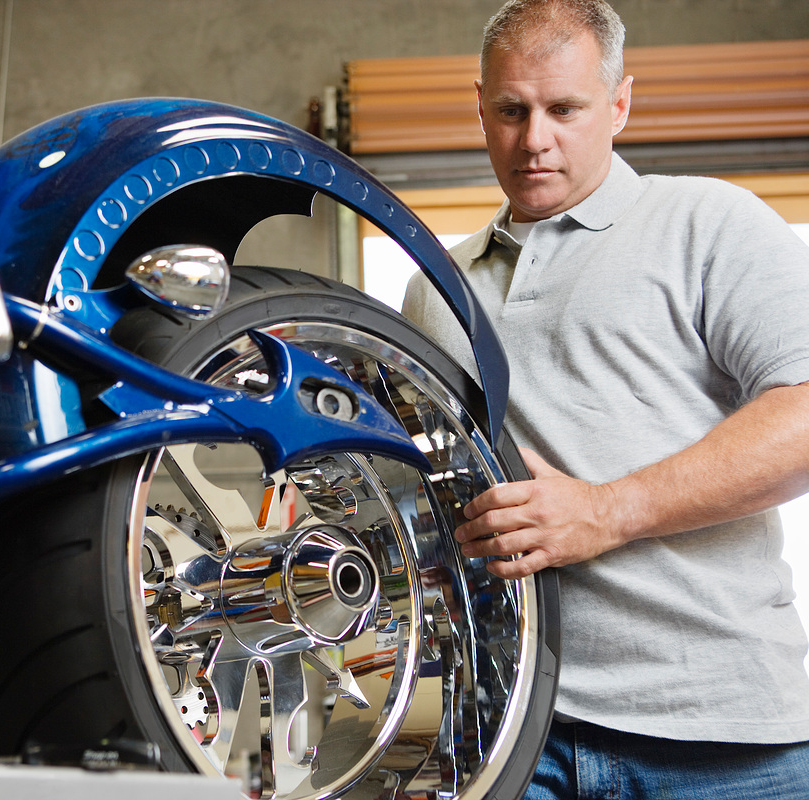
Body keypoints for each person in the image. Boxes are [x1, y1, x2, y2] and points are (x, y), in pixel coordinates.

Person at [401, 0, 809, 796]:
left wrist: (606, 510)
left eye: (565, 109)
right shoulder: (433, 291)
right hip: (515, 735)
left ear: (619, 104)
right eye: (512, 111)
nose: (535, 140)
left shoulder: (707, 223)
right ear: (478, 105)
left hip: (723, 742)